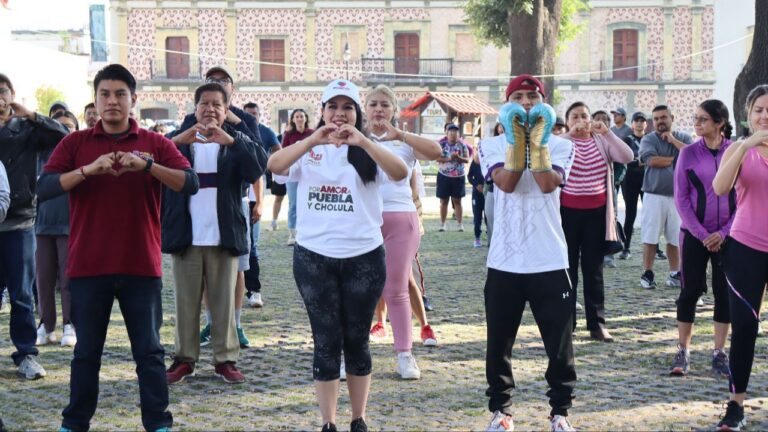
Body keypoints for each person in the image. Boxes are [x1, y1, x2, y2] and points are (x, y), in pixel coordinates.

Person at [38, 63, 198, 432]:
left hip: (140, 265)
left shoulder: (155, 144)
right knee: (85, 355)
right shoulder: (75, 143)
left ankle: (158, 423)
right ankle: (75, 423)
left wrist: (147, 166)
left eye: (120, 94)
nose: (112, 101)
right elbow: (44, 188)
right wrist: (87, 171)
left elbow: (188, 182)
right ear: (95, 100)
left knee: (150, 354)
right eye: (105, 94)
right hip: (87, 267)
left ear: (133, 100)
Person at [268, 79, 408, 432]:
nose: (340, 114)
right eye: (333, 107)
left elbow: (400, 172)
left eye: (347, 108)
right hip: (314, 258)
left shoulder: (371, 147)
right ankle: (328, 421)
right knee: (326, 339)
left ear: (357, 113)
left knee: (356, 339)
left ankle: (358, 418)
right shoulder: (309, 148)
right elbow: (274, 166)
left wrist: (363, 141)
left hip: (364, 256)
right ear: (323, 111)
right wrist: (312, 139)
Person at [480, 74, 577, 432]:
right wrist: (515, 139)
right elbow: (505, 182)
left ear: (543, 102)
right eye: (517, 96)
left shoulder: (563, 145)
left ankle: (560, 412)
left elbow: (547, 181)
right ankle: (501, 411)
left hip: (549, 257)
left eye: (532, 96)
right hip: (505, 260)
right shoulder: (489, 145)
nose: (525, 102)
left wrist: (536, 140)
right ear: (506, 103)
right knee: (499, 343)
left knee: (559, 343)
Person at [163, 83, 266, 385]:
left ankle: (225, 359)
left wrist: (233, 141)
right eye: (204, 104)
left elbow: (258, 166)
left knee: (223, 302)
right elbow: (153, 159)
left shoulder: (236, 141)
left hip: (225, 234)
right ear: (194, 109)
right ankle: (185, 359)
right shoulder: (179, 141)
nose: (209, 109)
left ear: (226, 110)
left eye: (217, 104)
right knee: (185, 303)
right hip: (187, 234)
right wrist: (178, 139)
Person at [364, 84, 441, 380]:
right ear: (365, 109)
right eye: (373, 104)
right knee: (360, 290)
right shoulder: (356, 138)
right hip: (364, 219)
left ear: (394, 110)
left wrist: (401, 135)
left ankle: (405, 354)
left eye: (385, 104)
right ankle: (353, 353)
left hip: (401, 218)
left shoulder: (404, 142)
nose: (379, 110)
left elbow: (436, 152)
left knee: (396, 289)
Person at [0, 72, 68, 380]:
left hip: (20, 222)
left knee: (22, 295)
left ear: (12, 96)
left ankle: (26, 353)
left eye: (3, 93)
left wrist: (33, 114)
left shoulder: (27, 129)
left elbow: (63, 136)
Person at [711, 84, 768, 431]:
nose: (765, 116)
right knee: (745, 326)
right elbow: (719, 188)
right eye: (759, 109)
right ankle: (736, 405)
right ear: (748, 115)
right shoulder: (739, 149)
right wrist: (746, 144)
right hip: (746, 245)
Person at [670, 99, 735, 378]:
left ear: (720, 123)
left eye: (703, 119)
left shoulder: (736, 152)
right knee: (689, 292)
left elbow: (742, 198)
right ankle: (683, 351)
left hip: (728, 237)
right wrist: (702, 234)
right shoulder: (688, 154)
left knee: (725, 294)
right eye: (695, 118)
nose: (697, 124)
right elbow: (681, 198)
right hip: (695, 235)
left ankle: (719, 353)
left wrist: (723, 233)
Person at [561, 102, 633, 342]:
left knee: (594, 270)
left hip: (596, 214)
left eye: (584, 115)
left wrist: (607, 133)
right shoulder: (562, 142)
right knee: (566, 269)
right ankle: (566, 323)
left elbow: (628, 156)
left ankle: (597, 324)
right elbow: (547, 154)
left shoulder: (601, 141)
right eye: (574, 117)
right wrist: (569, 134)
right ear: (568, 121)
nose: (580, 120)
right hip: (566, 215)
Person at [34, 111, 78, 348]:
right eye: (60, 126)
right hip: (41, 225)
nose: (64, 131)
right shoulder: (42, 155)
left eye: (69, 127)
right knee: (43, 279)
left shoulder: (77, 156)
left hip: (69, 225)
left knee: (67, 279)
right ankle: (46, 325)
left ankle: (70, 324)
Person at [638, 105, 692, 289]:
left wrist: (674, 141)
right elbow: (651, 160)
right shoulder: (648, 139)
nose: (660, 121)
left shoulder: (683, 137)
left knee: (675, 237)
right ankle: (647, 272)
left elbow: (693, 155)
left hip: (679, 196)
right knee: (650, 236)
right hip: (654, 195)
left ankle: (674, 273)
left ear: (672, 117)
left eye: (663, 117)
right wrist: (679, 159)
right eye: (656, 118)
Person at [242, 102, 281, 308]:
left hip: (251, 195)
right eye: (248, 114)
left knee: (251, 246)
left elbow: (259, 170)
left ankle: (254, 290)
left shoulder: (265, 132)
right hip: (234, 196)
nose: (252, 118)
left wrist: (259, 202)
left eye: (255, 114)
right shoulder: (237, 130)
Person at [280, 109, 314, 245]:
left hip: (309, 172)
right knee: (293, 204)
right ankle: (292, 233)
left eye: (301, 116)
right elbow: (283, 152)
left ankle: (308, 231)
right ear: (293, 120)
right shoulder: (288, 135)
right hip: (293, 171)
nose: (299, 119)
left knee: (309, 203)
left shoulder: (312, 134)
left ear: (305, 118)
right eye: (297, 116)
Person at [619, 112, 648, 260]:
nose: (639, 123)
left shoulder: (650, 139)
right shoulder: (627, 140)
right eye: (636, 120)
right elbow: (625, 159)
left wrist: (638, 160)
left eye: (642, 121)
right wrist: (641, 161)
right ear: (632, 124)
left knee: (649, 214)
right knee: (631, 214)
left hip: (646, 180)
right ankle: (626, 247)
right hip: (629, 180)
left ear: (646, 124)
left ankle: (653, 248)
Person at [436, 124, 469, 232]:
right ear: (447, 133)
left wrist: (459, 158)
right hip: (444, 175)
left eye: (455, 133)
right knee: (443, 201)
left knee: (457, 201)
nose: (453, 135)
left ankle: (460, 224)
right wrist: (449, 158)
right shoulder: (441, 144)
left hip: (458, 176)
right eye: (451, 133)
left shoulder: (462, 145)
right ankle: (442, 224)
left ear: (458, 134)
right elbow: (436, 158)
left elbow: (467, 159)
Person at [468, 145, 486, 248]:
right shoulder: (475, 162)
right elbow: (470, 176)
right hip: (477, 193)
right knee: (477, 216)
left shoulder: (490, 160)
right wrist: (476, 184)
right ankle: (477, 237)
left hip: (488, 192)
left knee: (488, 216)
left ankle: (490, 236)